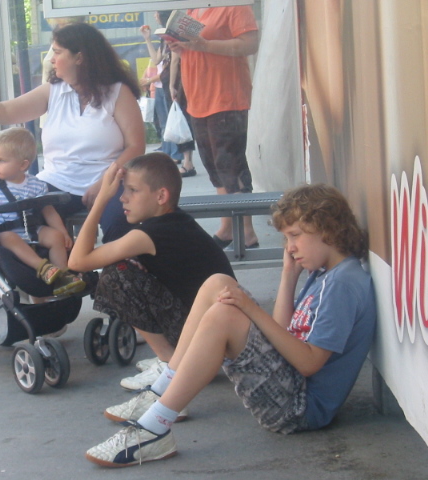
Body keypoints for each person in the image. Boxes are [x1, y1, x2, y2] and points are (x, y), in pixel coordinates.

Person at [85, 183, 377, 468]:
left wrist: (249, 308)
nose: (290, 248)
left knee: (224, 315)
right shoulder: (326, 273)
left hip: (298, 409)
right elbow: (284, 332)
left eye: (295, 236)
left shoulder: (342, 284)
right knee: (217, 283)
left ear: (327, 228)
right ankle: (163, 389)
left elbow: (309, 363)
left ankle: (153, 428)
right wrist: (289, 276)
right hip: (289, 386)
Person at [0, 22, 145, 243]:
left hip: (108, 181)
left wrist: (105, 181)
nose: (51, 59)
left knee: (119, 220)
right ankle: (66, 273)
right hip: (56, 182)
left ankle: (117, 273)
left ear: (79, 57)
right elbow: (6, 111)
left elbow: (135, 146)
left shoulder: (117, 92)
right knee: (22, 222)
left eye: (57, 52)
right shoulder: (54, 90)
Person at [68, 152, 235, 391]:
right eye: (121, 191)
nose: (122, 198)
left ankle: (170, 365)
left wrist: (102, 199)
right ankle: (173, 358)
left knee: (116, 275)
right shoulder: (174, 222)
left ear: (161, 196)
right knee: (127, 267)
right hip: (220, 332)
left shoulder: (147, 235)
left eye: (132, 191)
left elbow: (77, 261)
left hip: (210, 339)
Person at [168, 6, 260, 247]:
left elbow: (250, 44)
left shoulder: (233, 4)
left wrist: (205, 45)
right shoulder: (192, 8)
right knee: (213, 165)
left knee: (231, 164)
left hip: (226, 96)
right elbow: (194, 46)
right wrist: (181, 47)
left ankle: (247, 231)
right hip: (198, 97)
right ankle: (227, 226)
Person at [0, 127, 85, 296]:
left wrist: (62, 232)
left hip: (32, 230)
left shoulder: (37, 184)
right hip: (5, 232)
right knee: (9, 237)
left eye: (2, 160)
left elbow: (49, 211)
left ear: (23, 165)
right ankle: (43, 267)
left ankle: (63, 276)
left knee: (55, 236)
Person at [139, 12, 182, 165]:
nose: (155, 17)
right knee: (164, 124)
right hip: (159, 87)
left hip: (166, 84)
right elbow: (156, 60)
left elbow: (171, 66)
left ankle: (177, 153)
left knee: (172, 121)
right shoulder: (163, 42)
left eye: (157, 15)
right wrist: (148, 39)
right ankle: (168, 152)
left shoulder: (173, 38)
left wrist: (169, 85)